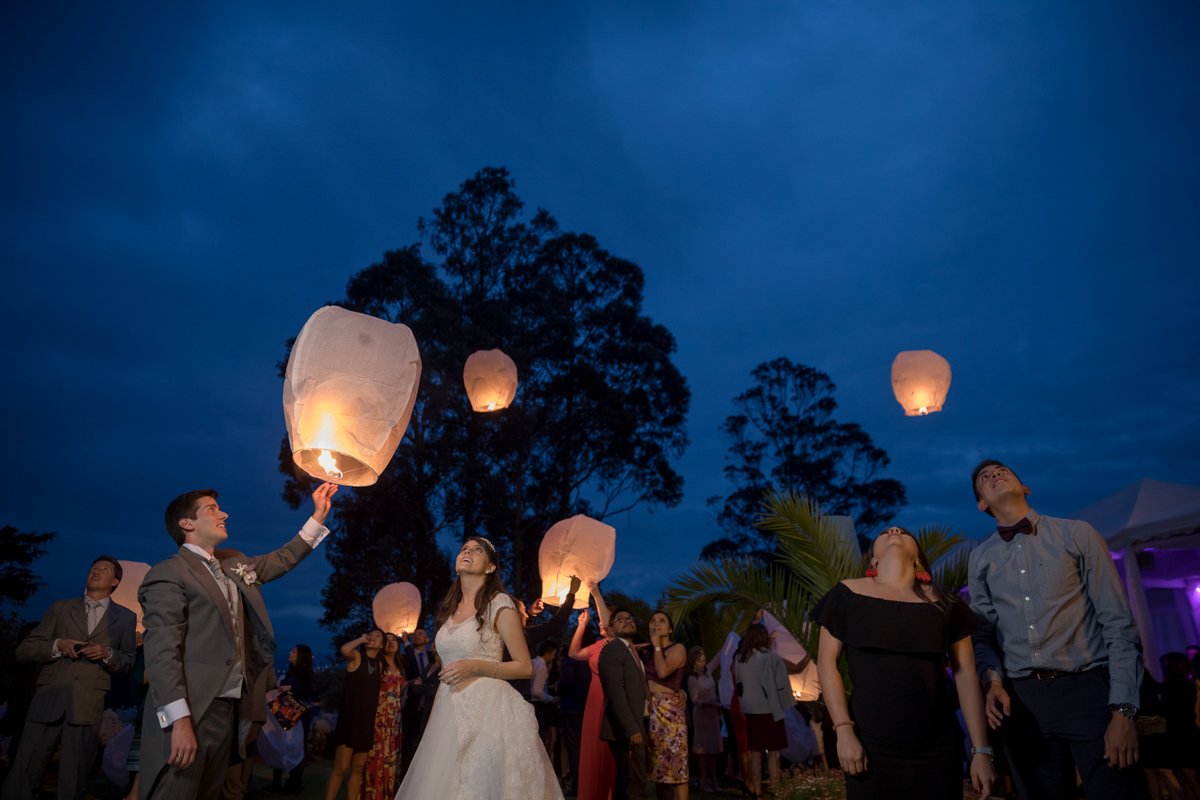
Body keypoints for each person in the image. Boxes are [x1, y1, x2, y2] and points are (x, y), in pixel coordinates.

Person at [138, 482, 336, 800]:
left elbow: (280, 560)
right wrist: (179, 722)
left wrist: (318, 516)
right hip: (189, 709)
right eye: (212, 509)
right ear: (186, 524)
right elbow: (162, 652)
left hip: (229, 710)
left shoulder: (233, 563)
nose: (224, 513)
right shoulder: (169, 572)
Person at [967, 460, 1145, 800]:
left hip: (1089, 692)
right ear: (982, 504)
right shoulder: (980, 559)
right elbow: (983, 635)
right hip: (1021, 703)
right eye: (984, 478)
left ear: (1026, 487)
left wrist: (1124, 711)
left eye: (1002, 470)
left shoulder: (1077, 533)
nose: (994, 475)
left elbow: (1118, 623)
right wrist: (992, 680)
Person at [814, 526, 996, 800]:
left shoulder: (945, 601)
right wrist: (844, 731)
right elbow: (826, 665)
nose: (895, 530)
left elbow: (966, 675)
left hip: (938, 748)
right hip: (870, 746)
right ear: (873, 559)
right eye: (885, 531)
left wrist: (981, 751)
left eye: (904, 532)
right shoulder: (846, 594)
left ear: (918, 557)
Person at [395, 536, 563, 799]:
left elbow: (523, 667)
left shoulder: (500, 604)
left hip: (489, 711)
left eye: (477, 550)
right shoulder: (449, 613)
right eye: (464, 549)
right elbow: (445, 676)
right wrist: (430, 731)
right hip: (447, 714)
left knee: (479, 784)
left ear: (490, 567)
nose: (468, 552)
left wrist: (474, 665)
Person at [1, 556, 137, 800]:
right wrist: (57, 645)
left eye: (104, 570)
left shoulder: (126, 617)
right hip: (47, 701)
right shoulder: (60, 608)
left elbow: (128, 661)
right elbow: (25, 649)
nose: (95, 572)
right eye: (93, 568)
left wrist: (107, 654)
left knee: (73, 780)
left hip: (87, 706)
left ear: (114, 581)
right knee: (23, 774)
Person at [730, 624, 793, 798]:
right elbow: (779, 685)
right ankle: (775, 791)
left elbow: (739, 687)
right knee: (774, 754)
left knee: (756, 753)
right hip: (770, 711)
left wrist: (744, 708)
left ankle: (756, 791)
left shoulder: (741, 659)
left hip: (752, 713)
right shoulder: (770, 657)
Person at [567, 592, 615, 800]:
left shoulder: (618, 644)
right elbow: (573, 653)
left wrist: (595, 592)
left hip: (610, 700)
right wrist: (581, 625)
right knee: (591, 749)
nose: (602, 623)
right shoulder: (596, 646)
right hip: (593, 701)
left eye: (607, 618)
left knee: (607, 749)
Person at [325, 630, 384, 800]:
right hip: (350, 719)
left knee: (358, 769)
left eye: (377, 636)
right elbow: (344, 650)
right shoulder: (357, 656)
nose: (373, 637)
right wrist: (360, 638)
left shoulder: (380, 666)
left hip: (366, 722)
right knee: (341, 768)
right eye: (371, 634)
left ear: (381, 644)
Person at [598, 606, 649, 800]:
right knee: (634, 784)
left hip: (635, 723)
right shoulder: (612, 649)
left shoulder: (632, 652)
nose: (628, 621)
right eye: (621, 619)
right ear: (610, 629)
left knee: (627, 782)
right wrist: (631, 728)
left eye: (630, 618)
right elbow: (615, 692)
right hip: (626, 728)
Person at [643, 610, 688, 799]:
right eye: (653, 621)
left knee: (677, 769)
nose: (656, 624)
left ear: (669, 629)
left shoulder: (677, 648)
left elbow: (662, 672)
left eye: (662, 621)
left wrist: (657, 647)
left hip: (670, 713)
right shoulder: (646, 651)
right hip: (650, 711)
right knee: (658, 771)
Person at [363, 633, 405, 800]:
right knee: (375, 759)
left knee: (392, 759)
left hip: (395, 722)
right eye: (387, 641)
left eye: (394, 640)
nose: (391, 643)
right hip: (378, 719)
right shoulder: (378, 664)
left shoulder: (400, 666)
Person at [269, 644, 316, 794]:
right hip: (285, 711)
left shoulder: (305, 671)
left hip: (299, 715)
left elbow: (306, 691)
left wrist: (290, 688)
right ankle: (277, 783)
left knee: (296, 746)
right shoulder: (291, 670)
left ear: (301, 655)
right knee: (280, 744)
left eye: (294, 651)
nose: (290, 652)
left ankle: (294, 783)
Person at [1159, 653, 1200, 798]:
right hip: (1186, 734)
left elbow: (1168, 710)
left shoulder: (1172, 686)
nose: (1164, 665)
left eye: (1167, 663)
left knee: (1188, 779)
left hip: (1181, 736)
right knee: (1188, 779)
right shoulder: (1188, 685)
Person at [556, 634, 591, 797]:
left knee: (574, 749)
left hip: (572, 707)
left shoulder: (574, 656)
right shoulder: (593, 657)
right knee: (586, 748)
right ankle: (587, 783)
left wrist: (559, 689)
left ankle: (577, 785)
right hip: (589, 707)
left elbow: (567, 679)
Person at [685, 647, 720, 794]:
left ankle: (713, 779)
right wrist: (712, 704)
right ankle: (703, 780)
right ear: (693, 662)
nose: (703, 663)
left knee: (714, 749)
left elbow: (718, 656)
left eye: (704, 660)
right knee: (703, 750)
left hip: (712, 715)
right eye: (700, 661)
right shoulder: (693, 679)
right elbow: (695, 700)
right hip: (702, 716)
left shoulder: (708, 671)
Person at [532, 640, 560, 758]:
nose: (554, 657)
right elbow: (537, 691)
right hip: (539, 706)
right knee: (541, 738)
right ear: (547, 654)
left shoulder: (533, 662)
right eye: (553, 654)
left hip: (531, 703)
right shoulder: (542, 668)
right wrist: (551, 698)